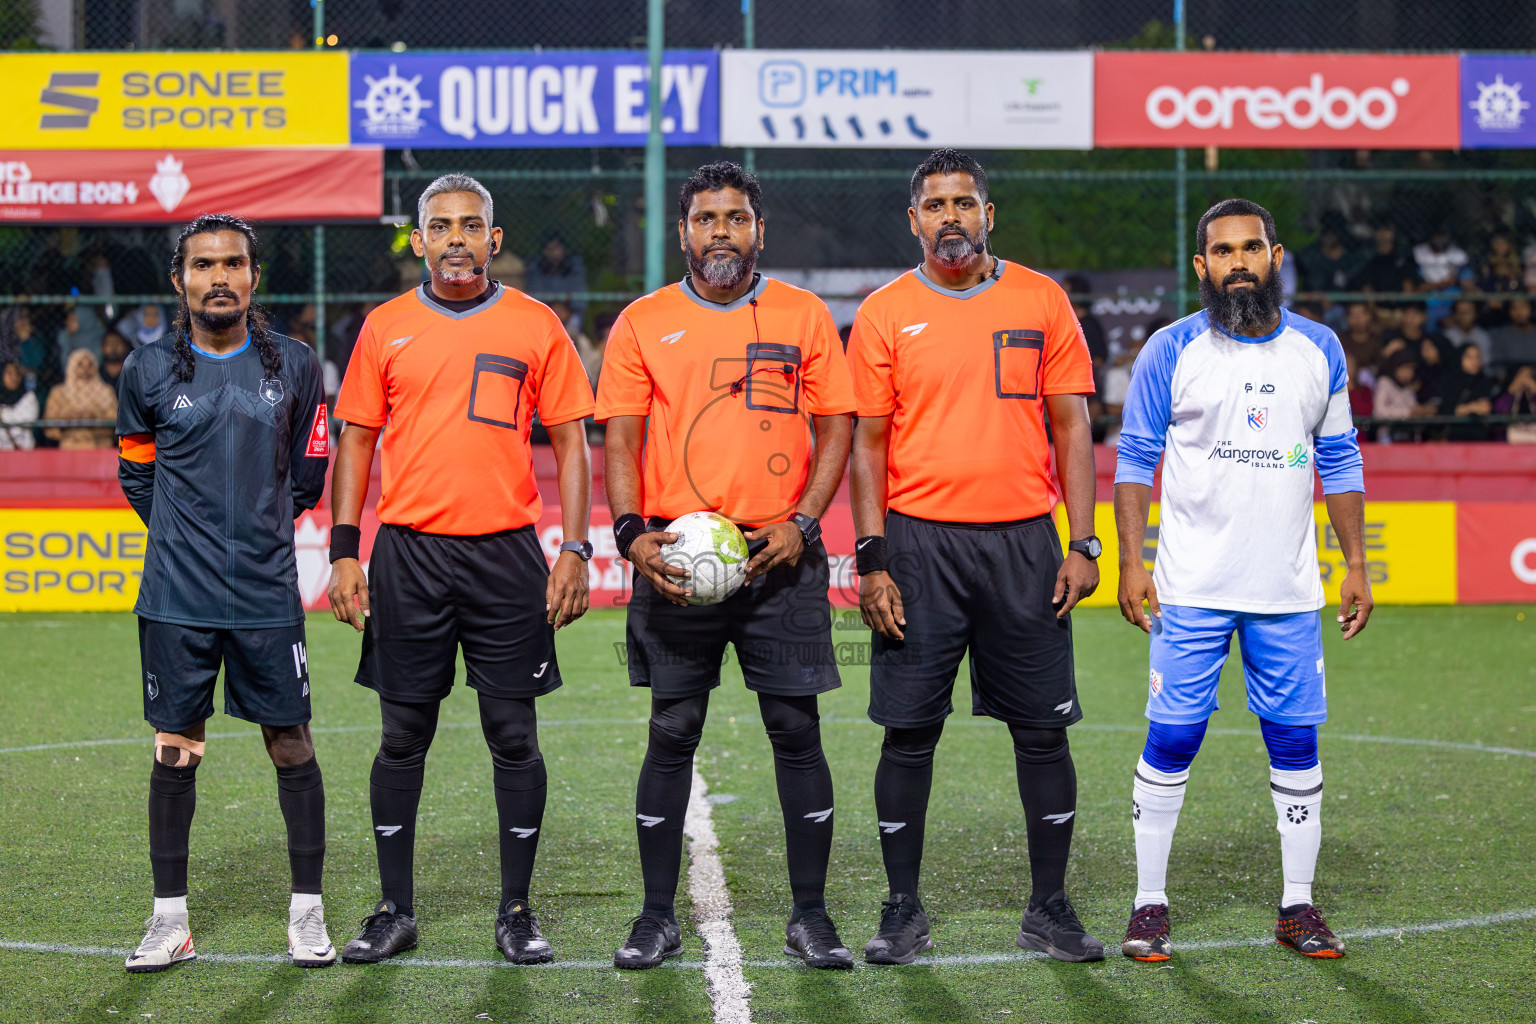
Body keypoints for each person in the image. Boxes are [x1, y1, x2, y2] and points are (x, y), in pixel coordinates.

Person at [327, 173, 595, 966]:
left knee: (512, 734)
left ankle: (516, 910)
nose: (455, 239)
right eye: (439, 226)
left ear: (494, 240)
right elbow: (356, 442)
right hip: (408, 552)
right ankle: (394, 908)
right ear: (417, 240)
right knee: (403, 733)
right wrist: (346, 549)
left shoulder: (537, 324)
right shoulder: (385, 326)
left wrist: (575, 547)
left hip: (506, 555)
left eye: (470, 226)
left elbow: (573, 442)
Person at [596, 161, 856, 970]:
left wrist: (805, 523)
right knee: (672, 732)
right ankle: (653, 916)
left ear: (758, 230)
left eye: (735, 218)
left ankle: (811, 916)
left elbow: (838, 422)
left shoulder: (804, 314)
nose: (721, 232)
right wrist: (632, 534)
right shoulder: (643, 321)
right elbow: (622, 438)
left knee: (795, 731)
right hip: (679, 557)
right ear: (684, 233)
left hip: (780, 555)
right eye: (707, 219)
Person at [848, 149, 1104, 966]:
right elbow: (869, 444)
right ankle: (901, 910)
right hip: (920, 546)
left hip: (1026, 543)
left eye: (965, 202)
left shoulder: (1042, 298)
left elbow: (1072, 427)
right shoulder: (885, 311)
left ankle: (1050, 909)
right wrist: (872, 558)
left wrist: (1083, 541)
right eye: (935, 204)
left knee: (1041, 733)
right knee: (909, 732)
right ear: (913, 219)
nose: (950, 216)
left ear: (988, 214)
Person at [1114, 198, 1371, 963]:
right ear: (1201, 267)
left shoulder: (1320, 349)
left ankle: (1298, 906)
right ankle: (1148, 905)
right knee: (1174, 737)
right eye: (1221, 252)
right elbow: (1134, 460)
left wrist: (1355, 562)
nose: (1236, 263)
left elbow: (1340, 459)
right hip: (1191, 586)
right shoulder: (1170, 350)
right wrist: (1131, 561)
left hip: (1287, 592)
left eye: (1250, 248)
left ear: (1275, 256)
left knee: (1294, 740)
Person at [114, 214, 333, 972]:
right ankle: (169, 920)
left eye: (232, 264)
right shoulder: (145, 370)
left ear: (253, 277)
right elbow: (137, 473)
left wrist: (255, 535)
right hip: (176, 597)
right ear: (179, 280)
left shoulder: (298, 366)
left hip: (269, 595)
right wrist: (187, 536)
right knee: (176, 752)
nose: (219, 277)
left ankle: (307, 911)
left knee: (290, 743)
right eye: (203, 265)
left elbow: (308, 475)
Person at [43, 349, 117, 449]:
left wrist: (95, 416)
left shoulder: (107, 391)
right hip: (69, 446)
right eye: (80, 364)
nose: (85, 369)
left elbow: (116, 422)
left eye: (90, 365)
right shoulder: (58, 393)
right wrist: (70, 418)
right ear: (71, 367)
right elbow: (49, 427)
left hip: (101, 446)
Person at [525, 232, 588, 331]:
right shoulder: (536, 268)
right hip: (545, 313)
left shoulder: (574, 266)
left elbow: (578, 294)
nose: (555, 253)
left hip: (569, 313)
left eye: (558, 248)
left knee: (574, 329)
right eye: (550, 249)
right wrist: (553, 309)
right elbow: (536, 294)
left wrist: (567, 311)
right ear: (544, 251)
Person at [1438, 343, 1496, 441]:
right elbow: (1445, 411)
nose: (1475, 361)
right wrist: (1471, 407)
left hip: (1481, 439)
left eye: (1478, 357)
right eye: (1469, 357)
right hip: (1454, 439)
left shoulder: (1485, 382)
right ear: (1460, 358)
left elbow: (1490, 408)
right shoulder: (1450, 381)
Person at [1348, 223, 1419, 297]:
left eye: (1387, 229)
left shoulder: (1402, 257)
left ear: (1393, 232)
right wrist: (1373, 307)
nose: (1383, 233)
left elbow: (1408, 285)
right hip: (1379, 303)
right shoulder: (1370, 259)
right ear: (1374, 233)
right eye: (1379, 229)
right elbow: (1366, 286)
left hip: (1401, 303)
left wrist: (1403, 305)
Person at [1490, 298, 1536, 375]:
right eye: (1514, 308)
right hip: (1510, 380)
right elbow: (1497, 364)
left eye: (1522, 307)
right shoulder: (1502, 334)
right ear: (1509, 311)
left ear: (1530, 309)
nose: (1519, 312)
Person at [0, 361, 38, 450]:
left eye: (18, 373)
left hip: (23, 452)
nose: (14, 378)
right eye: (9, 374)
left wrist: (3, 414)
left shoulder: (28, 396)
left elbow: (27, 419)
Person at [1441, 299, 1492, 364]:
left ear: (1475, 314)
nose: (1464, 316)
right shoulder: (1446, 336)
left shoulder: (1483, 337)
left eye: (1468, 312)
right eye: (1461, 312)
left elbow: (1485, 362)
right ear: (1455, 315)